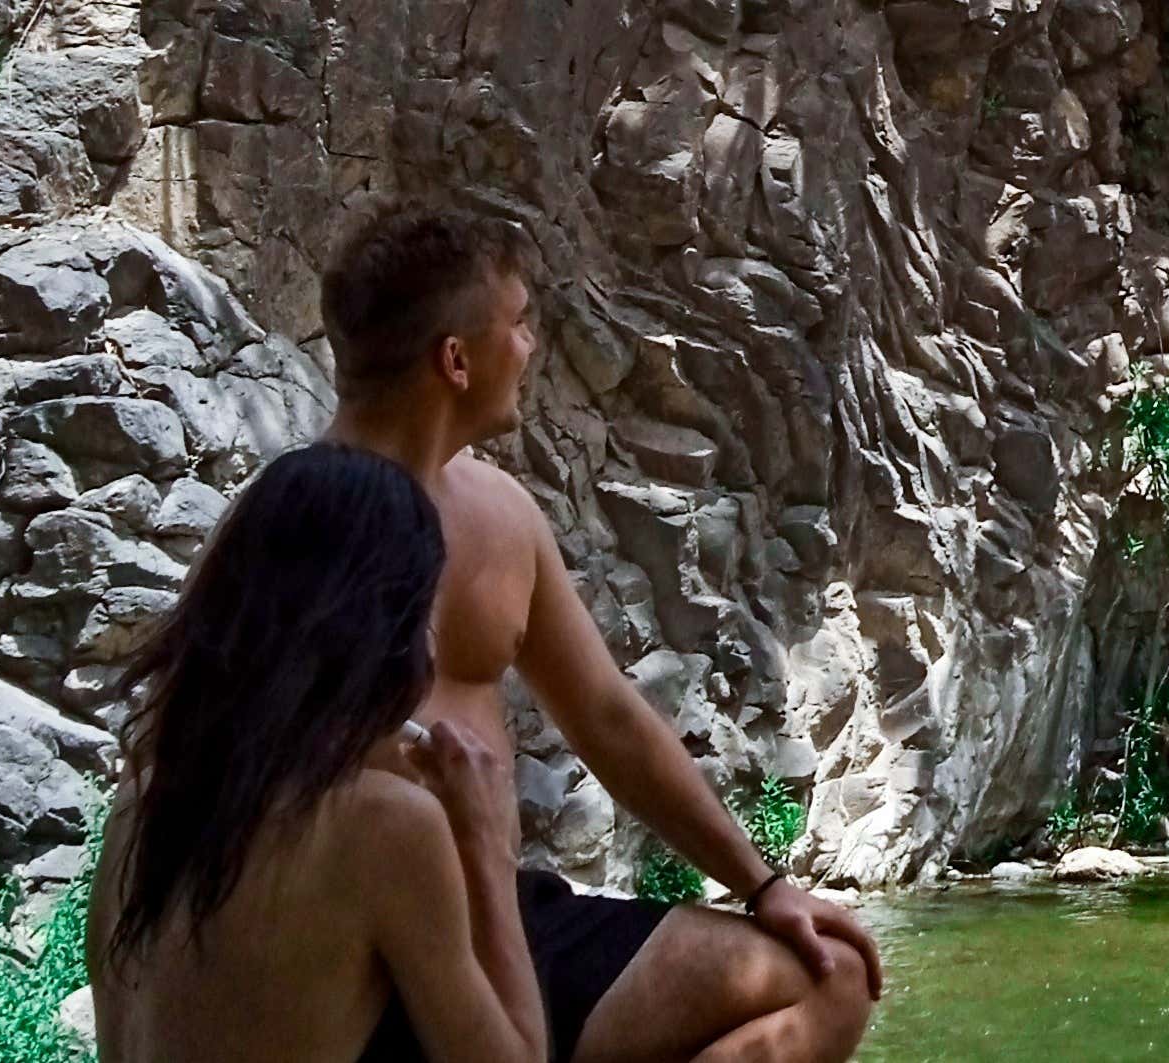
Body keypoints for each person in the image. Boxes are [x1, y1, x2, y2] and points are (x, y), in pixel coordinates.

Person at [308, 204, 878, 1062]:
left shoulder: (500, 513)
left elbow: (607, 717)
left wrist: (763, 885)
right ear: (456, 360)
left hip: (507, 914)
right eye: (518, 322)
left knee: (830, 975)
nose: (531, 345)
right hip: (367, 950)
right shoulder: (293, 527)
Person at [87, 443, 549, 1061]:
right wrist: (487, 848)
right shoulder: (384, 825)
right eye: (424, 618)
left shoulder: (142, 801)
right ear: (384, 636)